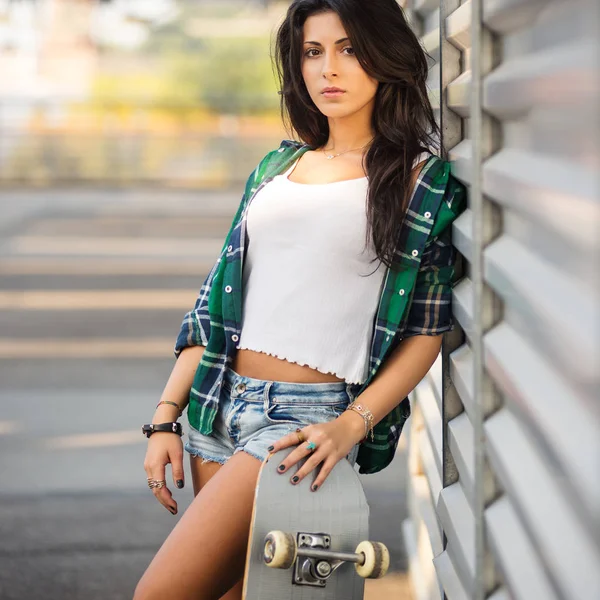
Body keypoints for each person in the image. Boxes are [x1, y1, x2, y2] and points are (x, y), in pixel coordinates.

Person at [134, 0, 466, 598]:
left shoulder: (420, 181)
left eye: (349, 49)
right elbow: (217, 305)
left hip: (298, 424)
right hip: (217, 404)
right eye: (313, 52)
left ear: (386, 57)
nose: (328, 69)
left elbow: (425, 333)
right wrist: (164, 417)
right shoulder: (277, 166)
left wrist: (350, 425)